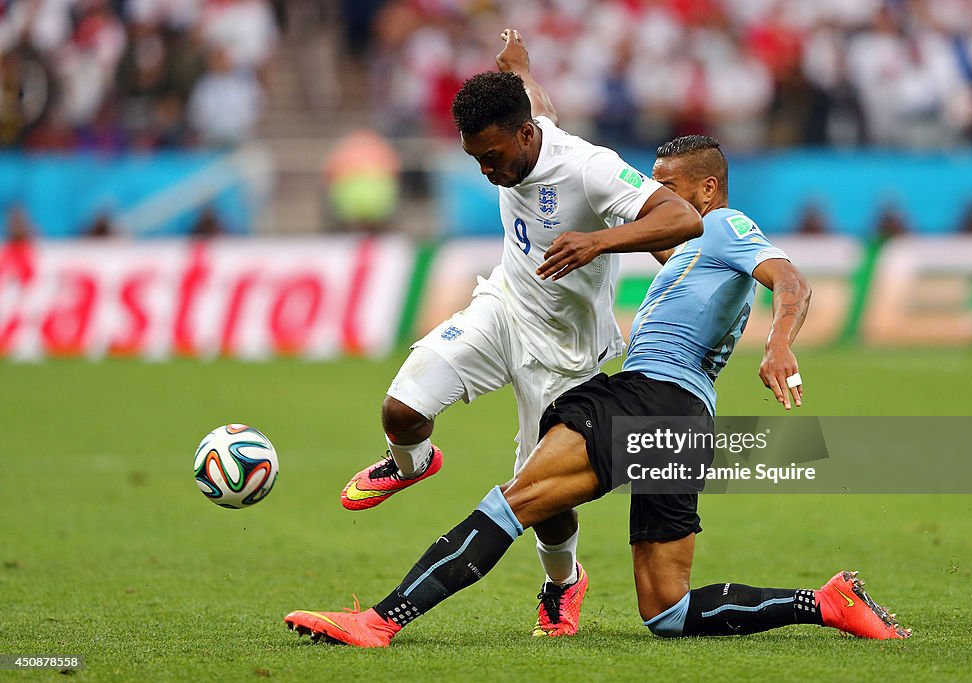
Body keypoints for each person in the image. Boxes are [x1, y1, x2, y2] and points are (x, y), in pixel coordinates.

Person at [284, 134, 912, 646]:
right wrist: (524, 72)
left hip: (649, 400)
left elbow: (792, 281)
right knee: (667, 612)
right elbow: (560, 150)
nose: (655, 193)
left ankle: (381, 620)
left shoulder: (724, 227)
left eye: (668, 184)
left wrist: (778, 347)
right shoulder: (684, 256)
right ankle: (825, 603)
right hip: (683, 423)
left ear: (707, 189)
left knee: (515, 500)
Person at [338, 29, 703, 637]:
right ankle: (409, 465)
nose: (487, 171)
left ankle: (562, 583)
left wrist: (598, 240)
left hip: (566, 352)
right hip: (503, 306)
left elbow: (682, 217)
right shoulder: (524, 119)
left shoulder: (591, 169)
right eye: (476, 160)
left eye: (494, 157)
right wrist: (518, 61)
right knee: (401, 408)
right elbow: (529, 86)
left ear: (528, 134)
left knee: (542, 497)